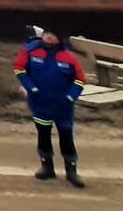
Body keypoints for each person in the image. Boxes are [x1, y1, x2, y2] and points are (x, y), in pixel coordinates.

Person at [13, 27, 86, 187]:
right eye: (47, 34)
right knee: (43, 136)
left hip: (63, 106)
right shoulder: (31, 52)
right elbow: (19, 68)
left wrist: (71, 96)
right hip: (41, 103)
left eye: (53, 35)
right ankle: (47, 168)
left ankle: (71, 171)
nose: (49, 37)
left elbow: (80, 79)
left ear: (59, 39)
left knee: (66, 137)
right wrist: (30, 87)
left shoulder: (69, 57)